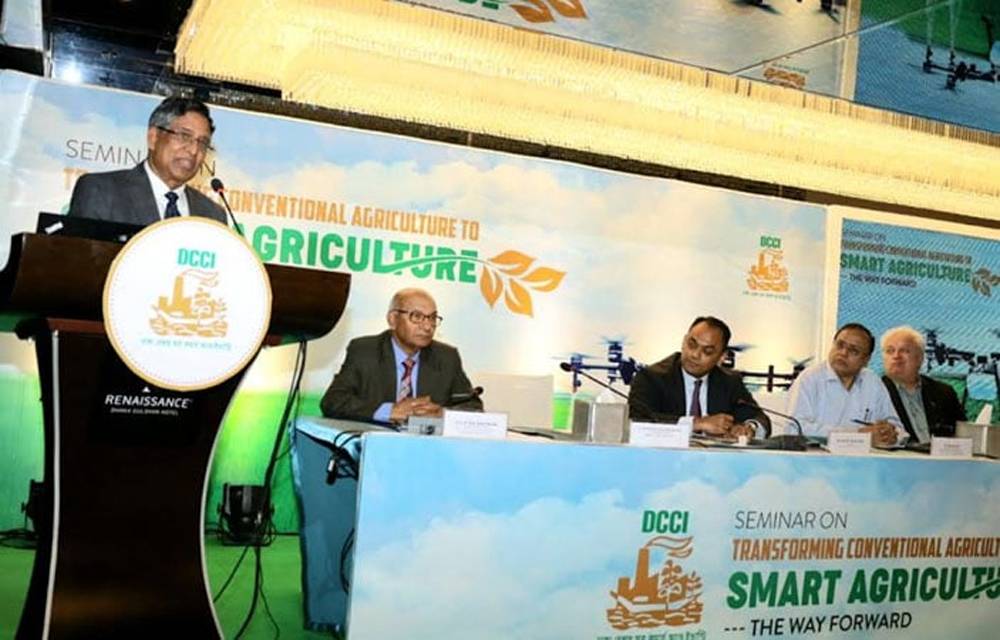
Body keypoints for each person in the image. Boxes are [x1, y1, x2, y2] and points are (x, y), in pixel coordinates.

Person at [320, 288, 483, 423]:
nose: (427, 326)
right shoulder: (365, 350)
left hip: (427, 446)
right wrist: (389, 411)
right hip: (377, 442)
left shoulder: (446, 357)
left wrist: (442, 414)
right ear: (393, 319)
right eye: (417, 316)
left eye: (432, 318)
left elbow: (473, 407)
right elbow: (333, 401)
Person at [68, 96, 227, 225]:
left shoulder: (213, 216)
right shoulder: (101, 191)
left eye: (203, 143)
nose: (194, 150)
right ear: (153, 138)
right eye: (184, 136)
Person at [627, 316, 770, 439]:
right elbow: (638, 420)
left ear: (722, 356)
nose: (695, 354)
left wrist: (749, 428)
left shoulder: (729, 382)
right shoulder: (652, 377)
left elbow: (759, 418)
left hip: (714, 460)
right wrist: (697, 423)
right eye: (692, 344)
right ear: (684, 341)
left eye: (707, 351)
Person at [787, 323, 903, 446]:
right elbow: (794, 429)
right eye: (840, 345)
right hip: (818, 455)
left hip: (866, 457)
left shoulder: (873, 382)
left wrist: (889, 434)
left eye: (853, 350)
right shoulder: (810, 378)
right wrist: (859, 435)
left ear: (866, 360)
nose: (843, 353)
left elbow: (898, 430)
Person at [880, 326, 966, 443]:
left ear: (920, 358)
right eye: (890, 351)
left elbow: (964, 437)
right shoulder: (875, 392)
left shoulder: (944, 393)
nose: (896, 356)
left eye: (904, 351)